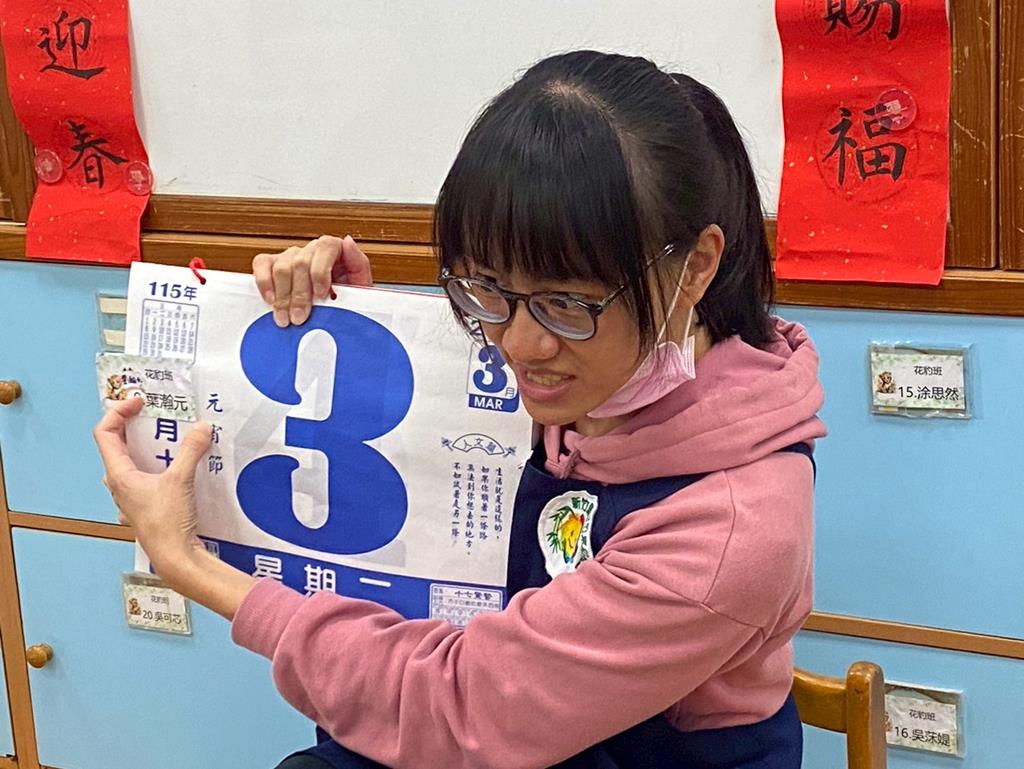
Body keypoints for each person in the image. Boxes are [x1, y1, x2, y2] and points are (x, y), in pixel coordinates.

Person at [95, 50, 825, 769]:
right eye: (485, 288)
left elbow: (459, 707)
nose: (519, 344)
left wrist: (188, 564)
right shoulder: (596, 373)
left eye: (568, 301)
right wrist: (356, 330)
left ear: (696, 265)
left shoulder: (734, 524)